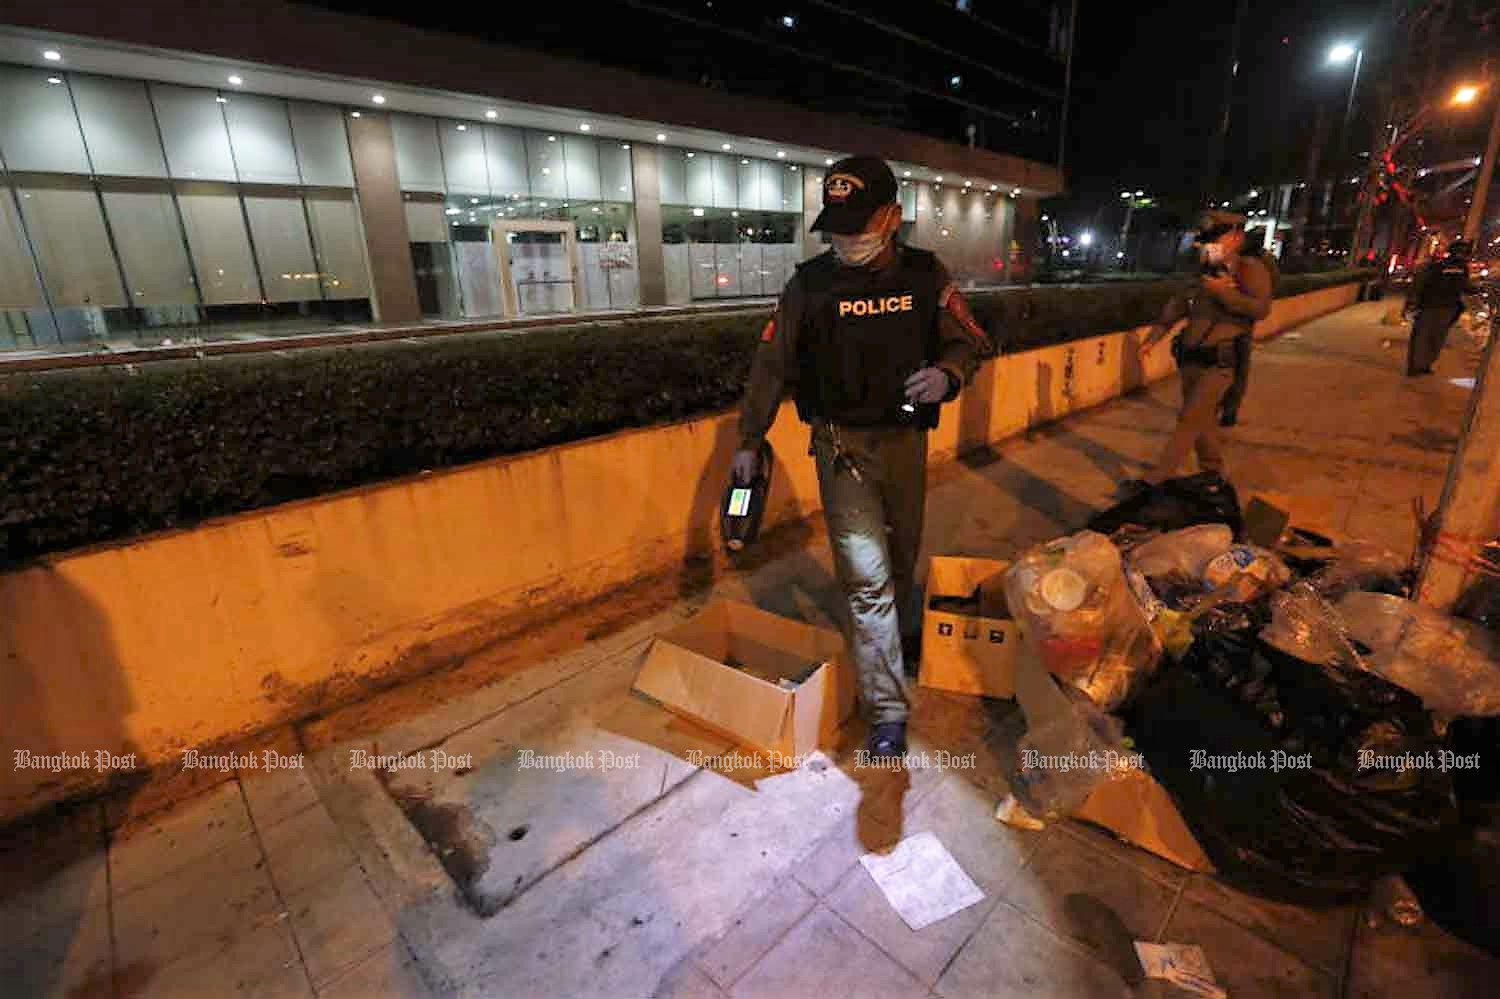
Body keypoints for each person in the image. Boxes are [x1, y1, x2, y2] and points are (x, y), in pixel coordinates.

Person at [732, 155, 994, 759]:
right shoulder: (810, 285)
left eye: (859, 225)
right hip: (841, 449)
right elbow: (770, 366)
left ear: (893, 217)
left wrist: (949, 375)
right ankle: (887, 712)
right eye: (837, 228)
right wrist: (749, 440)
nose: (846, 239)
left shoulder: (928, 276)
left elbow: (969, 339)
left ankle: (898, 640)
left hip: (906, 444)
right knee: (867, 581)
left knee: (902, 563)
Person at [1129, 211, 1273, 487]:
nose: (1208, 244)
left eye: (1215, 237)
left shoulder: (1249, 269)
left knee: (1189, 419)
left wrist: (1224, 292)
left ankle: (1157, 479)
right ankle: (1213, 473)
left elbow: (1261, 308)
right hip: (1191, 360)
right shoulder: (1202, 269)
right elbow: (1177, 307)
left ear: (1236, 236)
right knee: (1203, 422)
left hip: (1221, 362)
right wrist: (1152, 339)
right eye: (1205, 239)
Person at [1403, 238, 1477, 376]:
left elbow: (1419, 284)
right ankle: (1421, 365)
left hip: (1435, 307)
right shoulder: (1456, 269)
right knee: (1434, 338)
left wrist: (1412, 303)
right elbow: (1465, 287)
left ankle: (1419, 365)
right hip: (1441, 308)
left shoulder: (1438, 266)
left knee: (1425, 337)